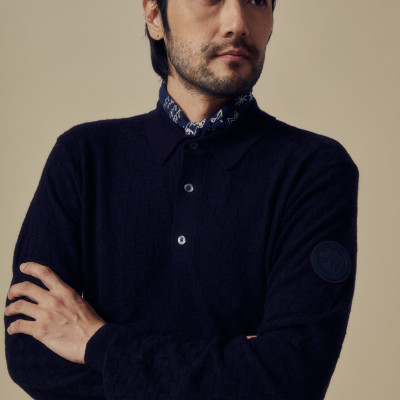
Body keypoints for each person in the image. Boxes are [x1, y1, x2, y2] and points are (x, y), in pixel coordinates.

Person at [4, 1, 359, 399]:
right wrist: (236, 370)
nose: (238, 23)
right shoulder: (83, 157)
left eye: (258, 0)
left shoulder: (315, 169)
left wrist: (98, 343)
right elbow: (31, 357)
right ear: (156, 17)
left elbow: (290, 379)